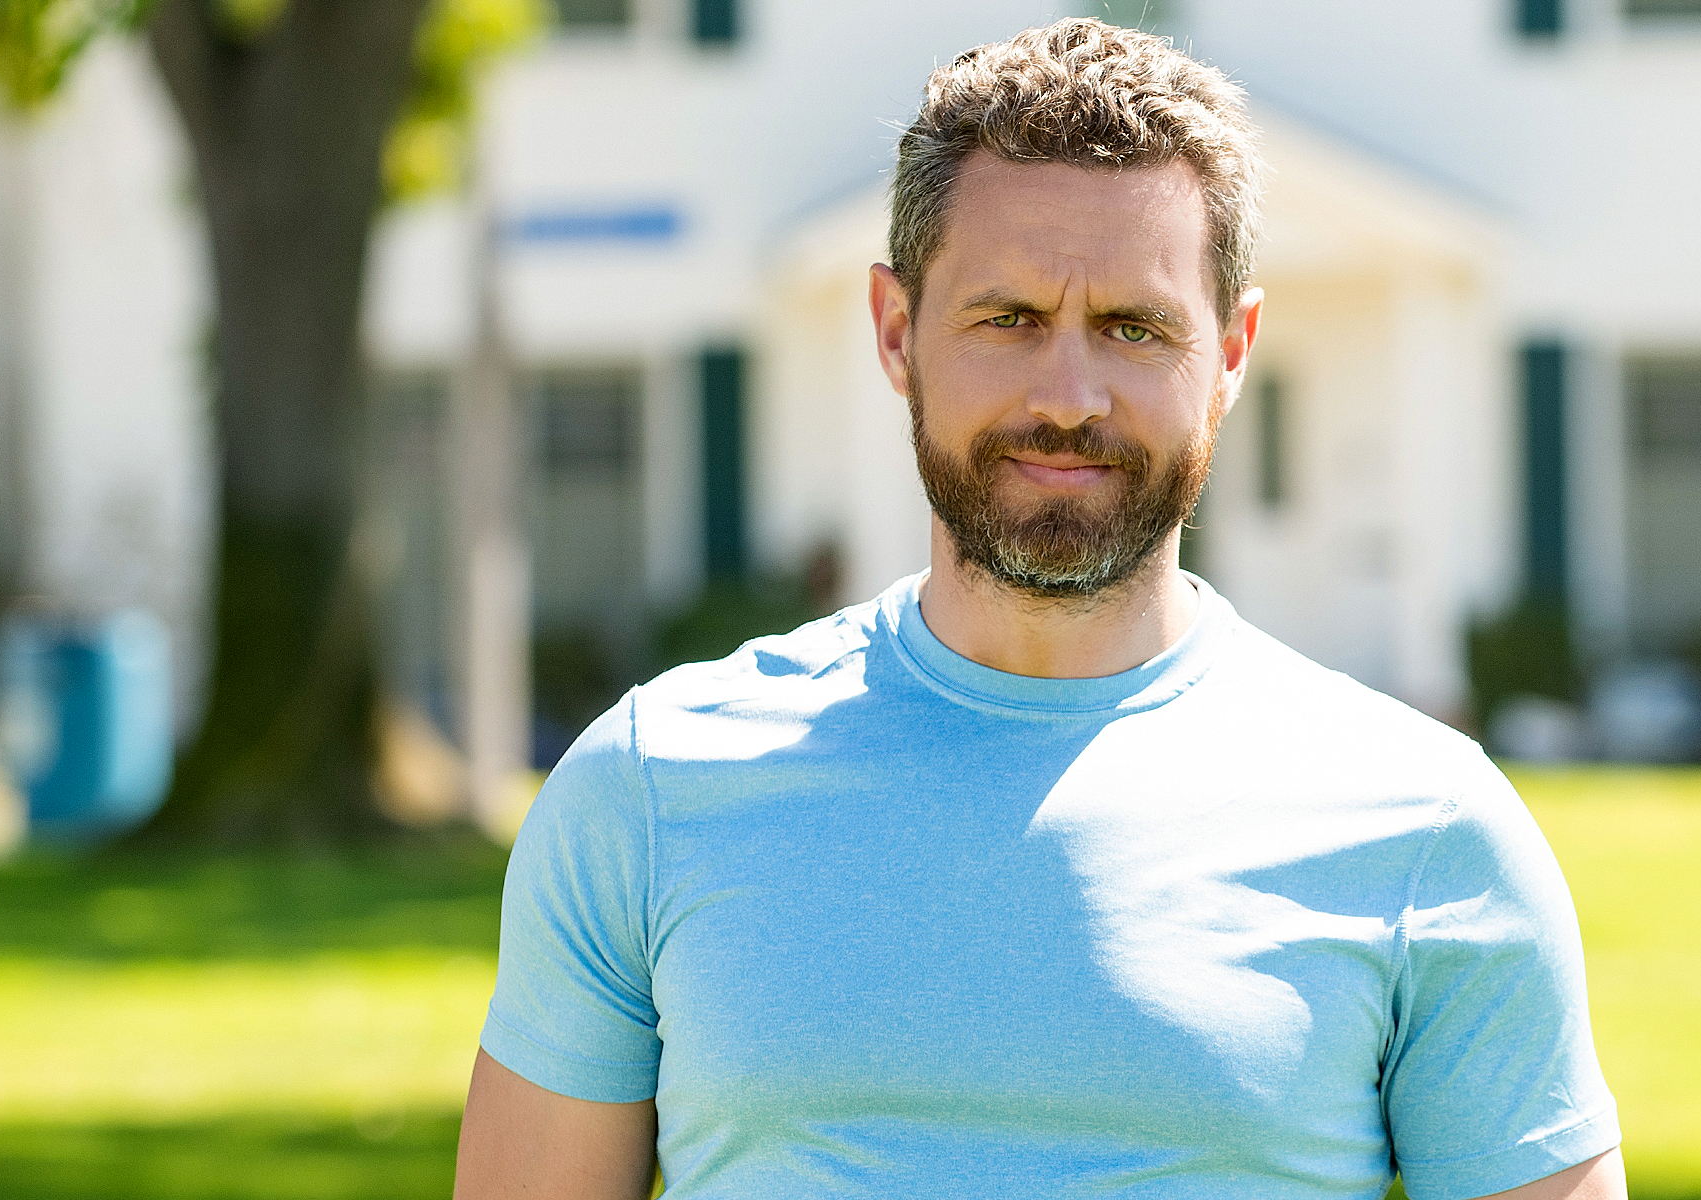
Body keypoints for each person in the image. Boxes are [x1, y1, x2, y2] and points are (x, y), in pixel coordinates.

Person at [453, 18, 1622, 1199]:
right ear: (897, 332)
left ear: (1230, 353)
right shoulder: (648, 791)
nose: (1069, 397)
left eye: (1134, 327)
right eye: (1009, 319)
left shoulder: (1428, 829)